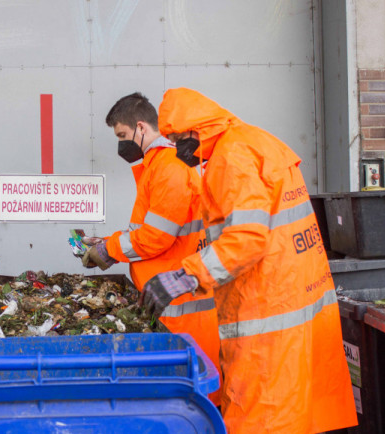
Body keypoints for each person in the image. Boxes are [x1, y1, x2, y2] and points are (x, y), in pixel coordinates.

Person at [142, 87, 357, 433]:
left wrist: (186, 276)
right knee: (296, 415)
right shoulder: (258, 141)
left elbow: (247, 238)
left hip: (265, 318)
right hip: (296, 304)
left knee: (261, 420)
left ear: (197, 130)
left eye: (177, 138)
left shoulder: (230, 158)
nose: (176, 148)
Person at [81, 92, 222, 404]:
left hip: (179, 308)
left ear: (141, 127)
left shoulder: (168, 168)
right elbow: (145, 230)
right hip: (168, 299)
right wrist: (106, 242)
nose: (121, 144)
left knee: (185, 400)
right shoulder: (158, 166)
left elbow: (156, 238)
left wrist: (110, 251)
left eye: (122, 135)